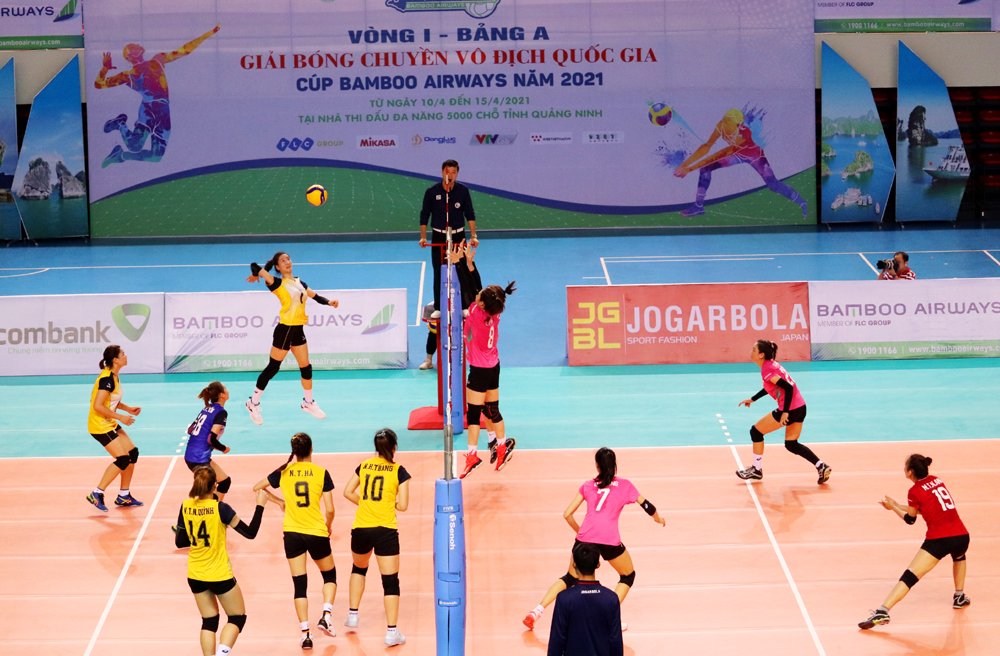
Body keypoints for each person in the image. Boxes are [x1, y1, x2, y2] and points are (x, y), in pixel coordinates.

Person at [524, 447, 664, 631]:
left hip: (585, 538)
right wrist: (658, 519)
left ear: (597, 466)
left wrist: (582, 534)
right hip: (609, 540)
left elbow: (567, 514)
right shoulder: (625, 485)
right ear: (614, 465)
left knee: (569, 578)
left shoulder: (588, 485)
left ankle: (536, 611)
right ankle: (606, 618)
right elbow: (647, 506)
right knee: (627, 575)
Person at [859, 454, 971, 630]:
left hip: (939, 539)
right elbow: (926, 508)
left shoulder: (914, 491)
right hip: (961, 535)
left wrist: (893, 508)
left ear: (910, 472)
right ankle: (959, 596)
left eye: (905, 466)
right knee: (959, 556)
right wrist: (897, 504)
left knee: (909, 577)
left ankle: (882, 611)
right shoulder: (936, 480)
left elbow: (910, 519)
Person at [253, 433, 338, 649]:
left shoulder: (284, 471)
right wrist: (328, 526)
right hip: (316, 532)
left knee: (300, 585)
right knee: (329, 575)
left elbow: (258, 487)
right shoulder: (321, 473)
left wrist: (280, 502)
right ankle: (326, 615)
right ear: (312, 448)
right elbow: (330, 509)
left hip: (292, 534)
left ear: (294, 452)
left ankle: (305, 634)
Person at [94, 23, 220, 167]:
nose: (137, 45)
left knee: (156, 157)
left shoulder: (157, 61)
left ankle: (121, 155)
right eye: (133, 46)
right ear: (130, 55)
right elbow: (99, 84)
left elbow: (184, 50)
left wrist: (208, 34)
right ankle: (120, 123)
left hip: (164, 111)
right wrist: (105, 68)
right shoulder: (128, 75)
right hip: (149, 109)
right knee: (135, 146)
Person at [175, 466, 268, 656]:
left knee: (209, 621)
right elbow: (250, 533)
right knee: (237, 618)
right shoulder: (221, 509)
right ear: (214, 486)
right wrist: (260, 505)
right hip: (219, 574)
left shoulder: (186, 506)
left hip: (195, 574)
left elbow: (180, 542)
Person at [245, 251, 338, 425]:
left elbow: (316, 296)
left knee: (306, 367)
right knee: (273, 368)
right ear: (277, 267)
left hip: (298, 330)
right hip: (284, 330)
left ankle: (308, 403)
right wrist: (257, 273)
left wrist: (329, 302)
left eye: (288, 259)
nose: (287, 262)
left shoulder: (300, 282)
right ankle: (253, 403)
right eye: (282, 261)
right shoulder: (276, 282)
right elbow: (254, 265)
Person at [453, 242, 517, 478]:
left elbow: (469, 286)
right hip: (494, 366)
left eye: (480, 296)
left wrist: (458, 263)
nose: (478, 294)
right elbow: (477, 287)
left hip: (479, 370)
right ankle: (500, 447)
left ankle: (472, 456)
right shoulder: (494, 312)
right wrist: (469, 263)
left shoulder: (476, 313)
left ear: (481, 304)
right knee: (492, 410)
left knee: (473, 414)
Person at [343, 429, 411, 647]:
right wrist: (386, 504)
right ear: (394, 447)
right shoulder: (399, 471)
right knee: (390, 582)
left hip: (361, 529)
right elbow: (403, 505)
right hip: (385, 531)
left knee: (358, 568)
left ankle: (353, 615)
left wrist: (367, 505)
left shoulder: (364, 466)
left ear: (376, 448)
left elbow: (347, 491)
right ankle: (391, 632)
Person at [674, 108, 808, 218]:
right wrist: (685, 165)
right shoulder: (721, 126)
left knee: (773, 185)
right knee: (705, 169)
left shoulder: (744, 133)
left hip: (754, 155)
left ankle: (802, 202)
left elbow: (721, 154)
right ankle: (698, 207)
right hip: (737, 154)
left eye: (733, 123)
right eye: (727, 121)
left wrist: (689, 169)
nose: (729, 124)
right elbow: (707, 146)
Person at [736, 339, 831, 483]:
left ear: (761, 355)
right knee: (791, 444)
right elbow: (772, 386)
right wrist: (753, 399)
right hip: (800, 407)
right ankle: (821, 466)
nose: (751, 352)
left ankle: (756, 469)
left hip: (790, 409)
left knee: (756, 432)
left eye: (754, 350)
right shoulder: (771, 364)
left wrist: (785, 412)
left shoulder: (767, 369)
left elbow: (788, 388)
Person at [86, 345, 143, 512]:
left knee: (132, 453)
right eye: (123, 354)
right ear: (116, 360)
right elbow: (98, 406)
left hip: (108, 421)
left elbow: (110, 400)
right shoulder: (107, 379)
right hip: (100, 425)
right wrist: (120, 417)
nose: (126, 356)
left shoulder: (114, 376)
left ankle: (124, 495)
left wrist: (127, 409)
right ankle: (97, 493)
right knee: (123, 458)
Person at [419, 159, 479, 315]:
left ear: (457, 173)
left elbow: (470, 213)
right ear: (442, 172)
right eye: (447, 172)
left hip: (458, 236)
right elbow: (425, 214)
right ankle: (439, 307)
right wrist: (423, 237)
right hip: (439, 236)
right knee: (439, 271)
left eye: (453, 172)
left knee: (462, 270)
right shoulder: (432, 192)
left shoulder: (463, 191)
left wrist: (473, 236)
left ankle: (465, 305)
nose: (450, 175)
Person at [546, 543, 624, 656]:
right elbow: (615, 640)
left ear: (574, 564)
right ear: (598, 564)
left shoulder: (564, 598)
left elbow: (557, 640)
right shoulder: (611, 598)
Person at [184, 381, 232, 502]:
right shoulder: (221, 412)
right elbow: (211, 439)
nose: (228, 391)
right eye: (225, 389)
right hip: (199, 459)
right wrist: (223, 448)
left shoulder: (206, 408)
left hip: (192, 455)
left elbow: (190, 430)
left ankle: (215, 508)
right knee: (207, 492)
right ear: (222, 395)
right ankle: (210, 510)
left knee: (224, 482)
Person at [419, 302, 437, 370]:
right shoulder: (432, 305)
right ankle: (428, 361)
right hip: (438, 330)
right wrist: (431, 325)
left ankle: (455, 361)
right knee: (432, 333)